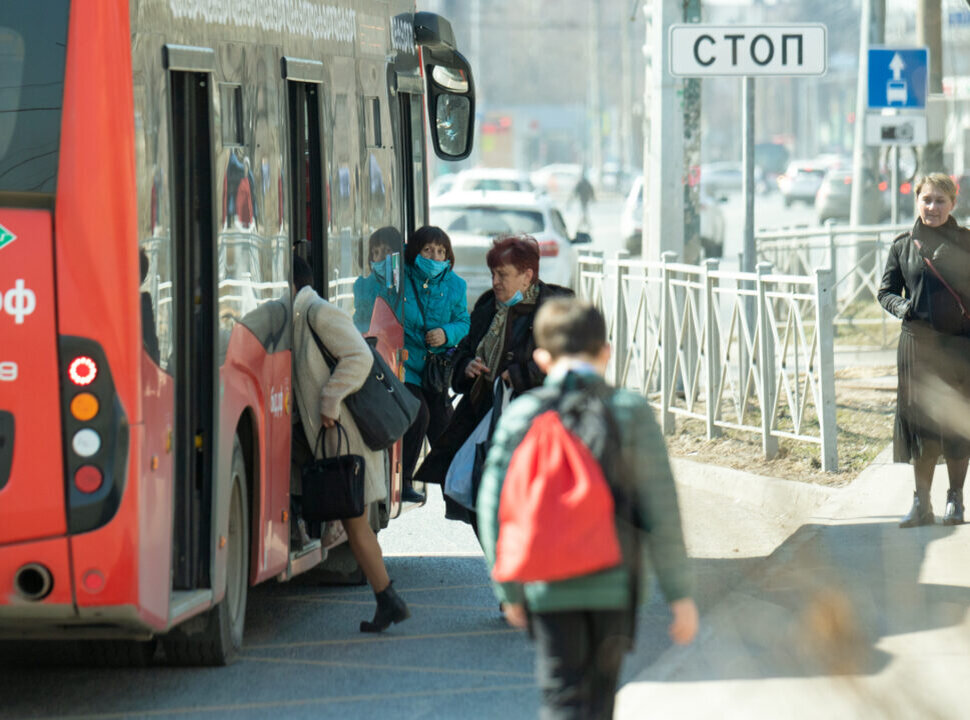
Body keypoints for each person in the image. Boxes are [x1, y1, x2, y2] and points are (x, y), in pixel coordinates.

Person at [477, 299, 698, 719]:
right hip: (615, 582)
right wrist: (679, 594)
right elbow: (661, 507)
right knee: (600, 702)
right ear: (606, 352)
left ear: (542, 359)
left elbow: (493, 504)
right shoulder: (629, 412)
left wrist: (507, 588)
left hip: (547, 584)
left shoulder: (523, 414)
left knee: (562, 697)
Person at [413, 234, 574, 527]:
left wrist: (520, 375)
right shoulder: (489, 307)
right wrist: (466, 366)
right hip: (482, 419)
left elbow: (567, 361)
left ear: (527, 276)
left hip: (531, 426)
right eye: (493, 274)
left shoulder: (555, 310)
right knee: (478, 503)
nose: (495, 282)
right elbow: (463, 350)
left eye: (503, 275)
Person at [291, 254, 410, 632]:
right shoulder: (303, 313)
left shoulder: (318, 312)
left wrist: (330, 398)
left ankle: (389, 598)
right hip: (338, 437)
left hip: (348, 436)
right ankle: (387, 600)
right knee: (355, 525)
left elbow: (359, 356)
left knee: (356, 525)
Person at [878, 172, 970, 527]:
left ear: (953, 204)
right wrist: (903, 307)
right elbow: (885, 291)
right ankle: (922, 504)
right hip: (917, 349)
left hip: (959, 349)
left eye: (940, 201)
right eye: (926, 200)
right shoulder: (903, 246)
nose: (932, 207)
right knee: (922, 427)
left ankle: (956, 501)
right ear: (917, 200)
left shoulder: (966, 242)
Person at [399, 226, 470, 504]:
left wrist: (446, 333)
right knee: (419, 414)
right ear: (415, 252)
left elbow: (463, 322)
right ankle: (404, 481)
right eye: (428, 250)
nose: (435, 256)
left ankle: (456, 491)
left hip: (435, 370)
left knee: (446, 428)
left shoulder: (456, 285)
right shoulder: (400, 278)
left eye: (441, 251)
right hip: (406, 366)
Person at [353, 226, 402, 333]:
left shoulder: (407, 283)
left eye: (387, 250)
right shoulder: (363, 287)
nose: (380, 257)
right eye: (375, 252)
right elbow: (360, 322)